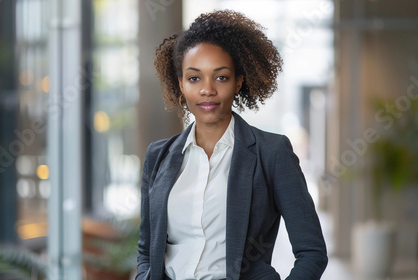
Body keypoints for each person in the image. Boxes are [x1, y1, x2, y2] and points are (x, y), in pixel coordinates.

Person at [136, 10, 328, 280]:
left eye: (221, 77)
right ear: (180, 84)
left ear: (238, 81)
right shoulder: (159, 156)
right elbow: (146, 251)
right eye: (194, 78)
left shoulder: (271, 153)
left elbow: (312, 252)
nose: (207, 90)